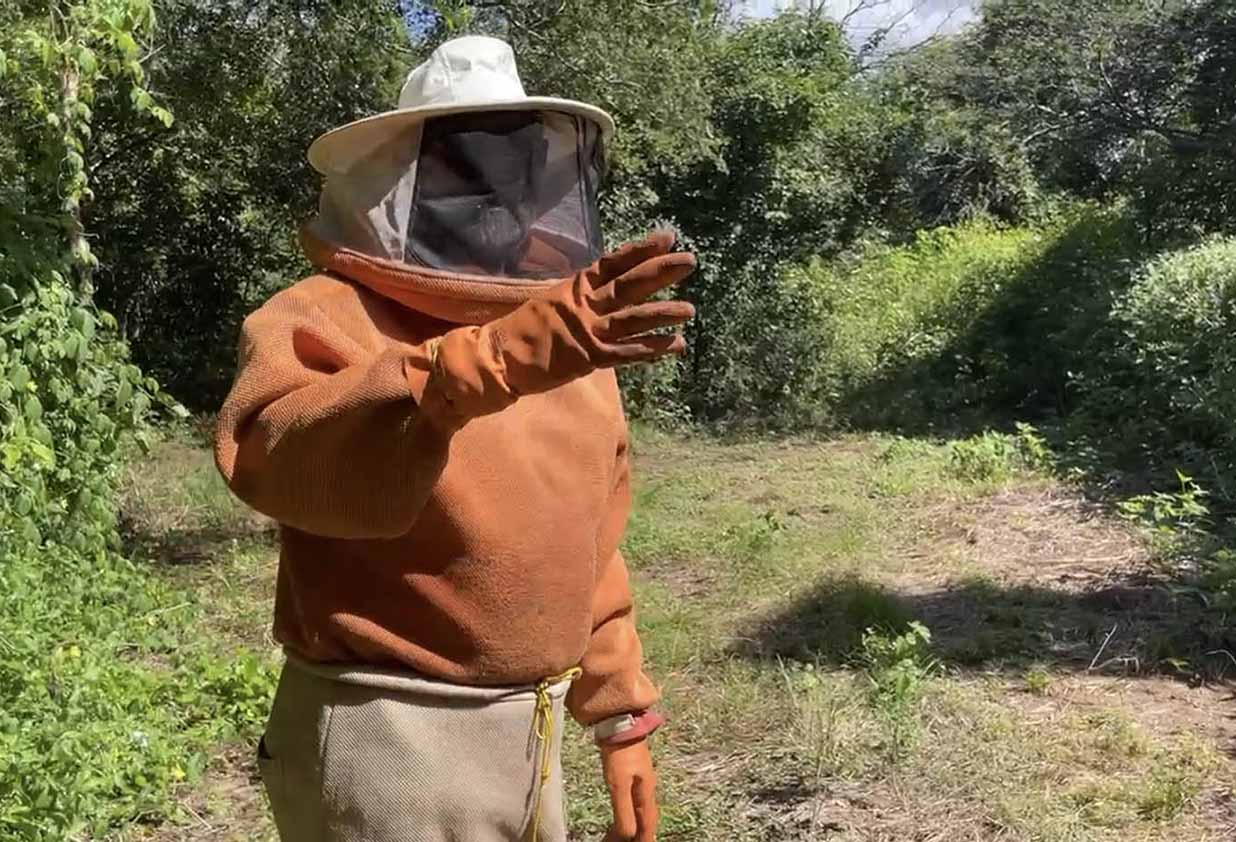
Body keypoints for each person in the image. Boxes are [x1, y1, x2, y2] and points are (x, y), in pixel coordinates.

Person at [214, 35, 696, 842]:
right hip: (386, 737)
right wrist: (471, 369)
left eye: (521, 179)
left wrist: (622, 719)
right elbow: (274, 457)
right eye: (468, 176)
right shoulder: (319, 314)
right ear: (400, 186)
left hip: (530, 737)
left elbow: (586, 543)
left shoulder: (571, 333)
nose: (499, 205)